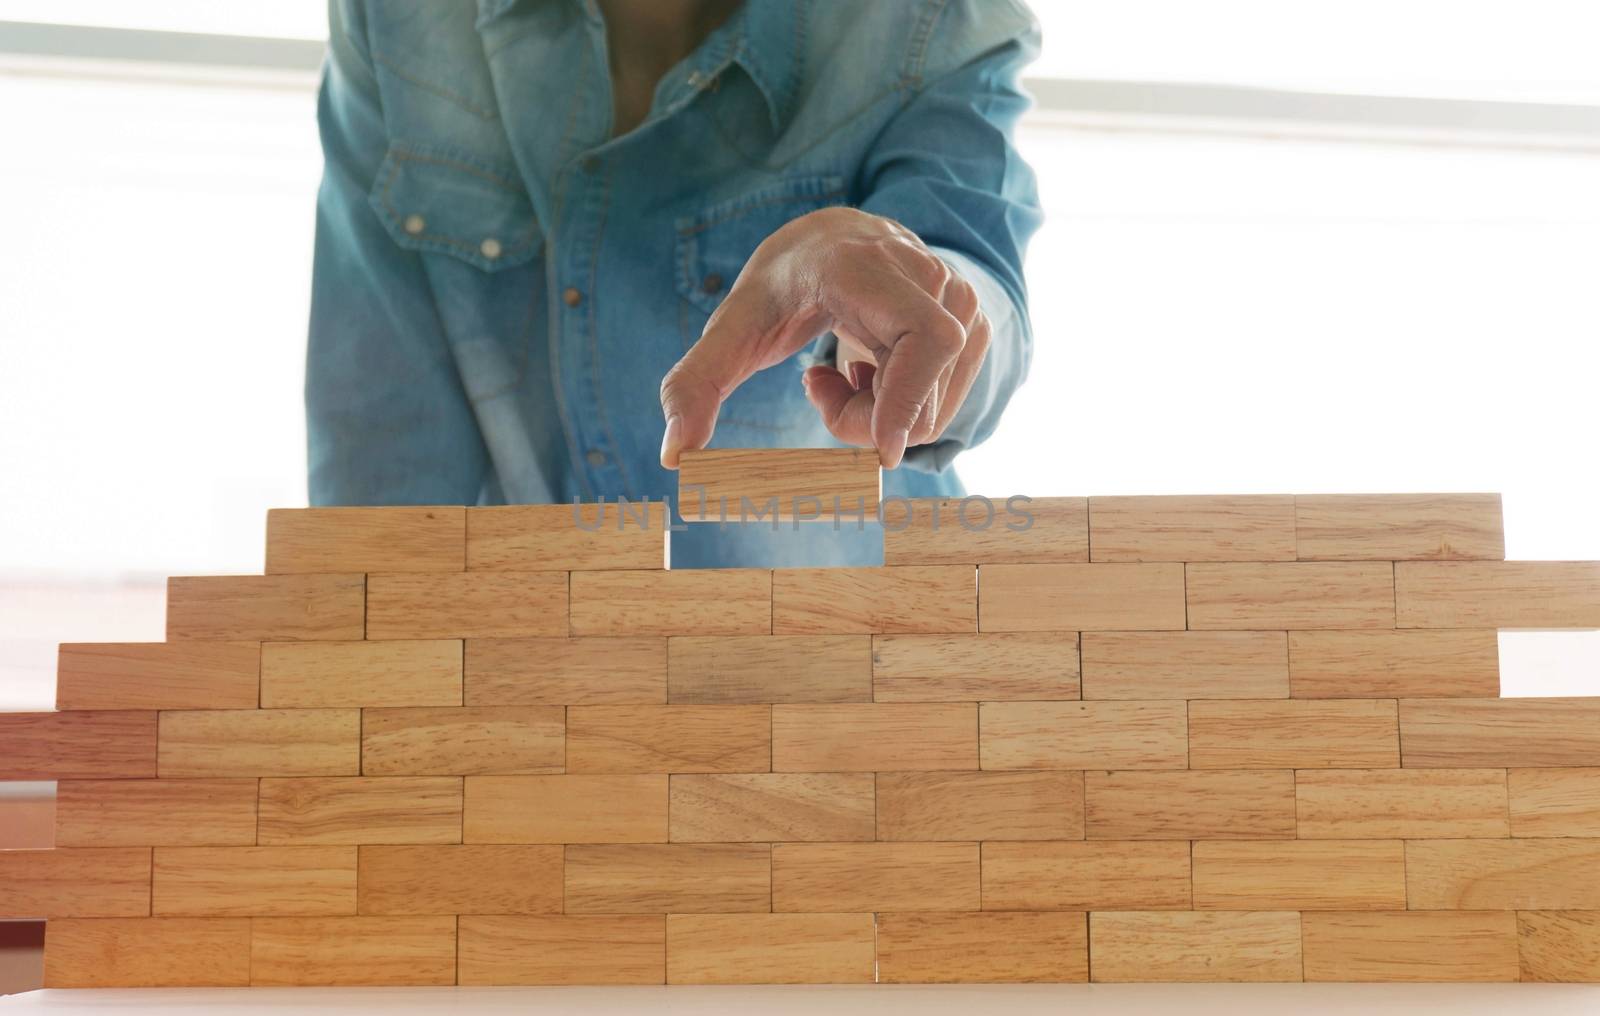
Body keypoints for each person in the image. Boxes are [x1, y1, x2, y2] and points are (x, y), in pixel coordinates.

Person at [308, 0, 1042, 566]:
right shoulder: (402, 20)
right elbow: (380, 459)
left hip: (851, 687)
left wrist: (915, 299)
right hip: (529, 697)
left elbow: (981, 299)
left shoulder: (931, 20)